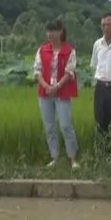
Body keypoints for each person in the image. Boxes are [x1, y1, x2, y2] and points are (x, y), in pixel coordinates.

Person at [33, 20, 80, 168]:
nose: (50, 34)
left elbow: (69, 71)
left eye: (53, 31)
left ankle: (73, 158)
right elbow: (37, 71)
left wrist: (57, 86)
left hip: (62, 93)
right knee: (49, 126)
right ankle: (55, 157)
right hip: (45, 93)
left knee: (66, 125)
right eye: (48, 31)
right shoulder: (42, 50)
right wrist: (46, 85)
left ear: (60, 32)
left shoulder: (69, 51)